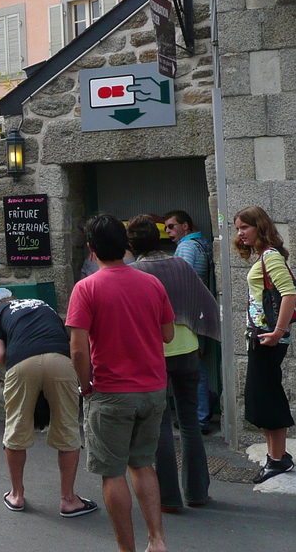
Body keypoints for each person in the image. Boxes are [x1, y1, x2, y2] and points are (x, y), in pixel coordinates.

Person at [66, 213, 174, 552]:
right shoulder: (151, 284)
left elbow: (78, 349)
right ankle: (156, 538)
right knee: (143, 464)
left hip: (111, 392)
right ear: (125, 246)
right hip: (152, 389)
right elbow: (167, 334)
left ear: (91, 249)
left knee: (112, 473)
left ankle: (126, 548)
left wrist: (84, 386)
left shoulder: (86, 288)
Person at [127, 215, 220, 512]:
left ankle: (168, 498)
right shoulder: (180, 265)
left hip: (154, 354)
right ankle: (197, 493)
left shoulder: (135, 274)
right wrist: (202, 338)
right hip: (188, 350)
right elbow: (205, 304)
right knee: (190, 423)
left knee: (161, 426)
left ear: (131, 244)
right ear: (160, 239)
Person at [0, 289, 97, 518]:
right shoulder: (45, 306)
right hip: (61, 359)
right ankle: (68, 499)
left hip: (22, 361)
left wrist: (19, 361)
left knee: (16, 427)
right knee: (67, 426)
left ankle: (16, 495)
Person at [233, 206, 296, 483]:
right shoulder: (263, 257)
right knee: (262, 395)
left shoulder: (270, 257)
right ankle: (276, 455)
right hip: (261, 336)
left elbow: (289, 294)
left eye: (244, 227)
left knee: (268, 396)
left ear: (259, 226)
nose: (240, 233)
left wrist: (277, 331)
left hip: (268, 337)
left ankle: (278, 458)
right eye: (237, 228)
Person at [164, 210, 217, 433]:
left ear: (185, 226)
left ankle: (199, 417)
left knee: (194, 368)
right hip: (201, 312)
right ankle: (202, 414)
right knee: (197, 365)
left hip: (188, 316)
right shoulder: (201, 243)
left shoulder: (186, 247)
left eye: (171, 227)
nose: (168, 232)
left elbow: (179, 278)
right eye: (165, 228)